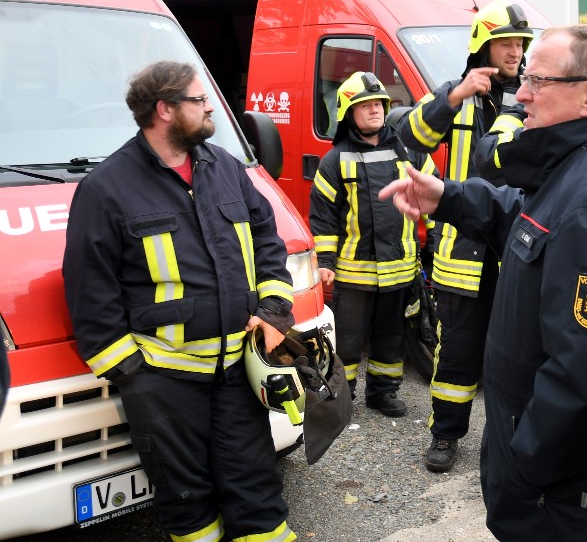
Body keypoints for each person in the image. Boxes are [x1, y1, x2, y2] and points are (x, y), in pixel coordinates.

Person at [382, 24, 587, 541]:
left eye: (537, 81)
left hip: (568, 491)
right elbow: (529, 220)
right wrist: (447, 196)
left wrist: (524, 459)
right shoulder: (577, 166)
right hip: (551, 474)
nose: (520, 94)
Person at [63, 61, 298, 542]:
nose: (211, 106)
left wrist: (274, 309)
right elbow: (90, 290)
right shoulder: (106, 189)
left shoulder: (225, 167)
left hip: (236, 372)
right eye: (198, 99)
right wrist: (131, 373)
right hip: (164, 385)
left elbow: (267, 240)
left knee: (257, 488)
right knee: (187, 503)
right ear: (165, 109)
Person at [397, 0, 534, 472]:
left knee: (516, 354)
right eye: (505, 42)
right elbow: (409, 139)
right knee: (456, 352)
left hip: (517, 244)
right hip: (462, 249)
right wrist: (452, 97)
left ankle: (508, 442)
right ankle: (445, 435)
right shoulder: (455, 96)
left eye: (520, 43)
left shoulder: (532, 97)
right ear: (483, 46)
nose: (515, 51)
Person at [309, 71, 436, 417]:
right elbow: (323, 218)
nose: (375, 110)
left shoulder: (411, 152)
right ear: (349, 113)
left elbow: (435, 197)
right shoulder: (334, 161)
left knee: (390, 337)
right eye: (365, 105)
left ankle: (383, 393)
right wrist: (326, 261)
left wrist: (436, 243)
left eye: (378, 103)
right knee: (349, 340)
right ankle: (344, 396)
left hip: (400, 269)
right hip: (355, 273)